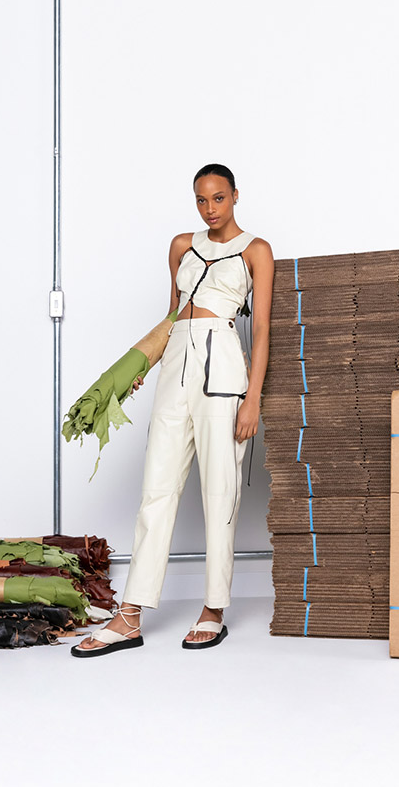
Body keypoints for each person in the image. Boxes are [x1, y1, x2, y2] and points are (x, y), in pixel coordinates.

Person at [71, 163, 274, 656]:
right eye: (202, 200)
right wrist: (146, 361)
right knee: (156, 489)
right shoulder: (181, 245)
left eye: (219, 199)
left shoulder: (256, 251)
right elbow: (171, 315)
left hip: (223, 368)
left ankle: (214, 608)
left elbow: (263, 330)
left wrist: (254, 398)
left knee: (220, 491)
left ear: (235, 196)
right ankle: (131, 614)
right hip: (174, 366)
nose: (210, 209)